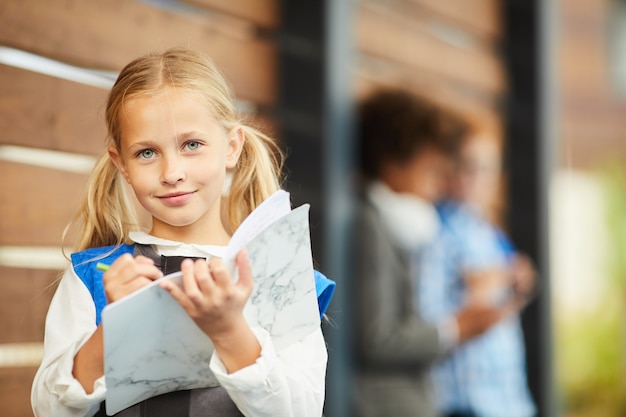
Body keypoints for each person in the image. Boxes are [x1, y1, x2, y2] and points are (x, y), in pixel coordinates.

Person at [31, 48, 334, 417]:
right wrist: (111, 332)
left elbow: (301, 410)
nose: (171, 172)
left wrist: (230, 333)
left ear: (232, 147)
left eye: (192, 145)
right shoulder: (93, 276)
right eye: (146, 153)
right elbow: (49, 409)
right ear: (121, 164)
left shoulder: (279, 275)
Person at [353, 89, 509, 417]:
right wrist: (458, 327)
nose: (439, 185)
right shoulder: (370, 225)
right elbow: (377, 338)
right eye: (433, 171)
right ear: (395, 163)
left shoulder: (398, 224)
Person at [417, 122, 537, 417]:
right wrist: (473, 295)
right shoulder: (433, 231)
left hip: (508, 398)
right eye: (467, 166)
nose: (476, 178)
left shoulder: (489, 233)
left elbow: (509, 286)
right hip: (465, 400)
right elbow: (426, 322)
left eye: (487, 169)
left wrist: (522, 280)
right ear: (447, 169)